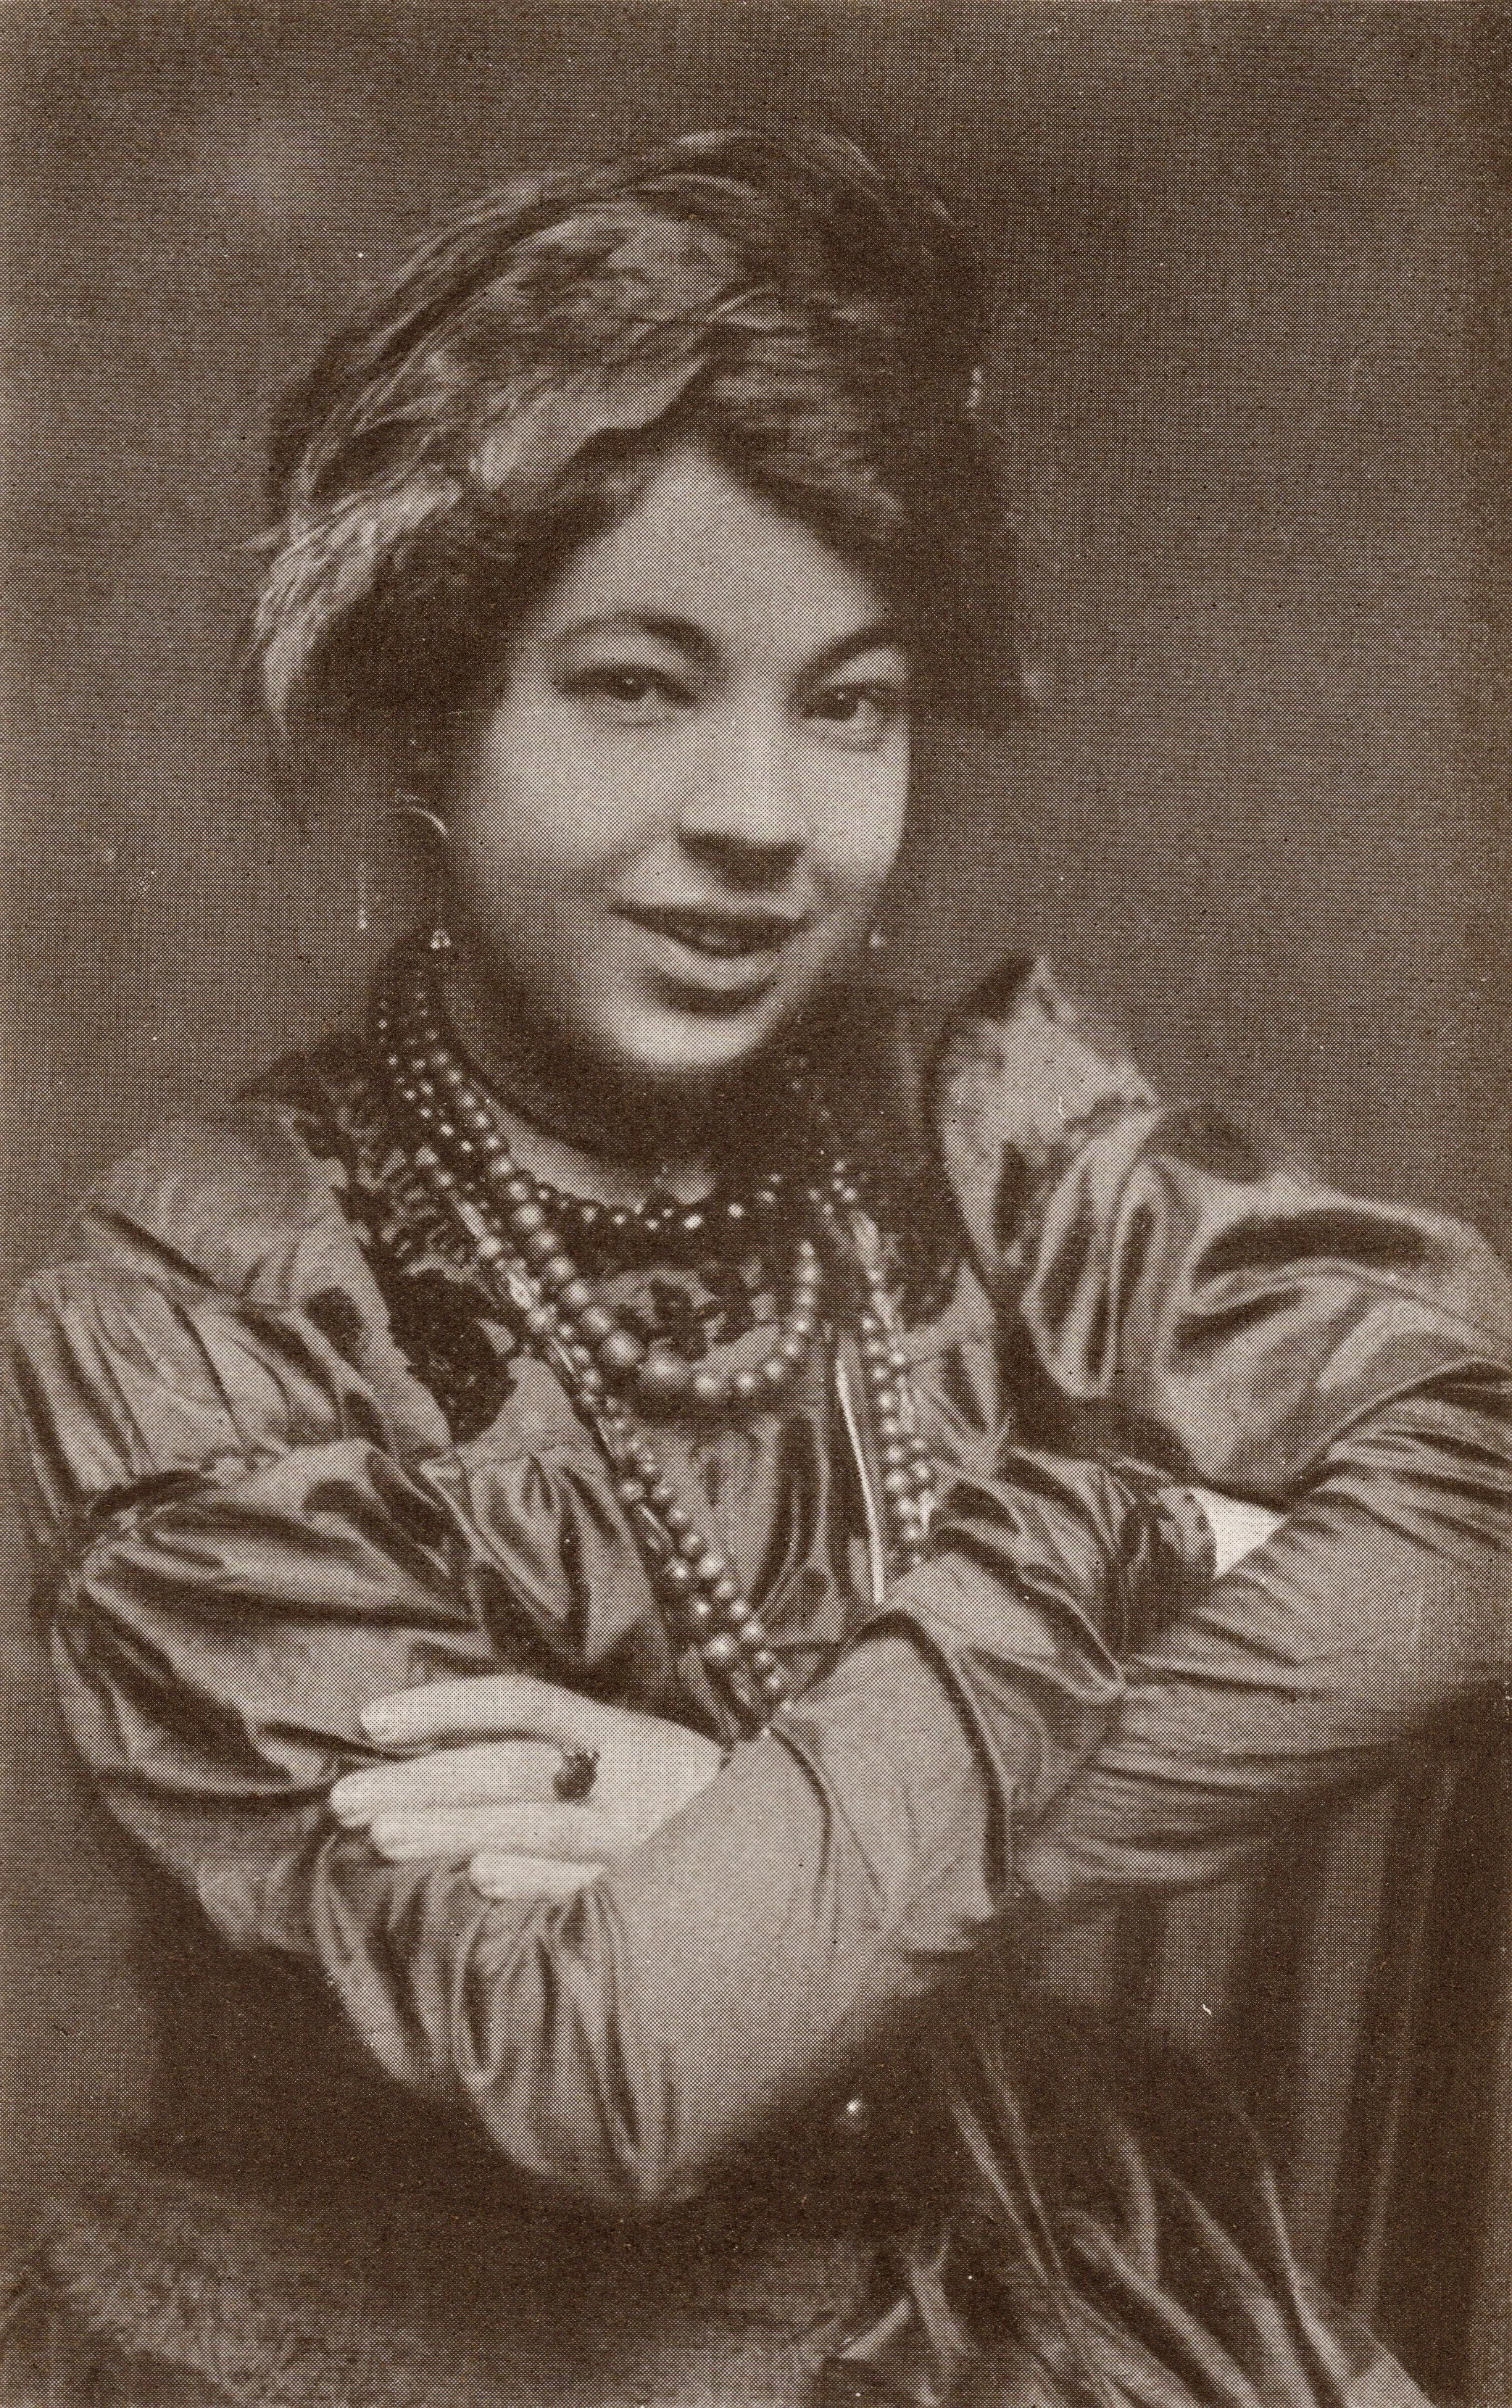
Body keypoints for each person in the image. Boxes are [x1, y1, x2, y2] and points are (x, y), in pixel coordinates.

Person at [6, 129, 1511, 2408]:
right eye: (636, 685)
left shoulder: (982, 1128)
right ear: (432, 719)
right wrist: (1113, 1523)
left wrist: (757, 1818)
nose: (765, 820)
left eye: (853, 700)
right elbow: (615, 2061)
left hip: (968, 2280)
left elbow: (1482, 1477)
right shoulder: (197, 1306)